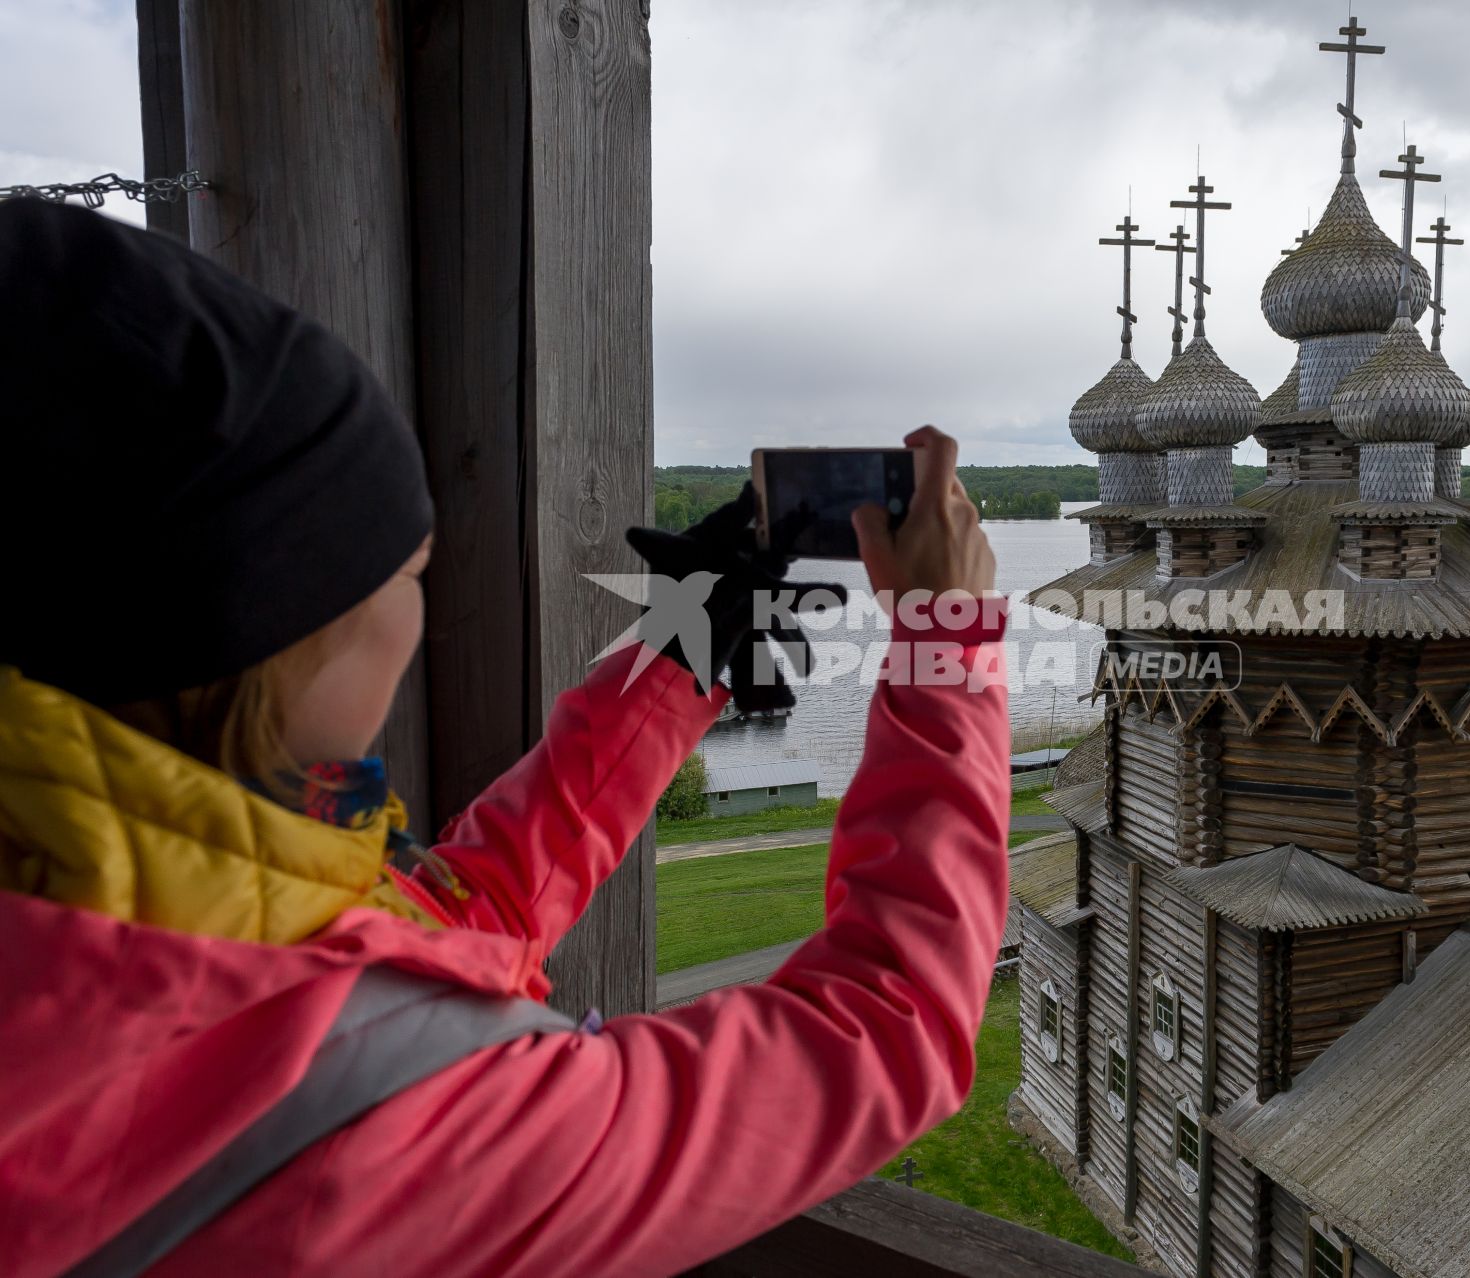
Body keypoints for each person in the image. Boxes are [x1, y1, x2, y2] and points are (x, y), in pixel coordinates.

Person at [0, 199, 1010, 1276]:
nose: (417, 613)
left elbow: (445, 920)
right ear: (268, 642)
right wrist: (950, 641)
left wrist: (679, 654)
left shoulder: (120, 903)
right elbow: (888, 1028)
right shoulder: (404, 1136)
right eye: (407, 575)